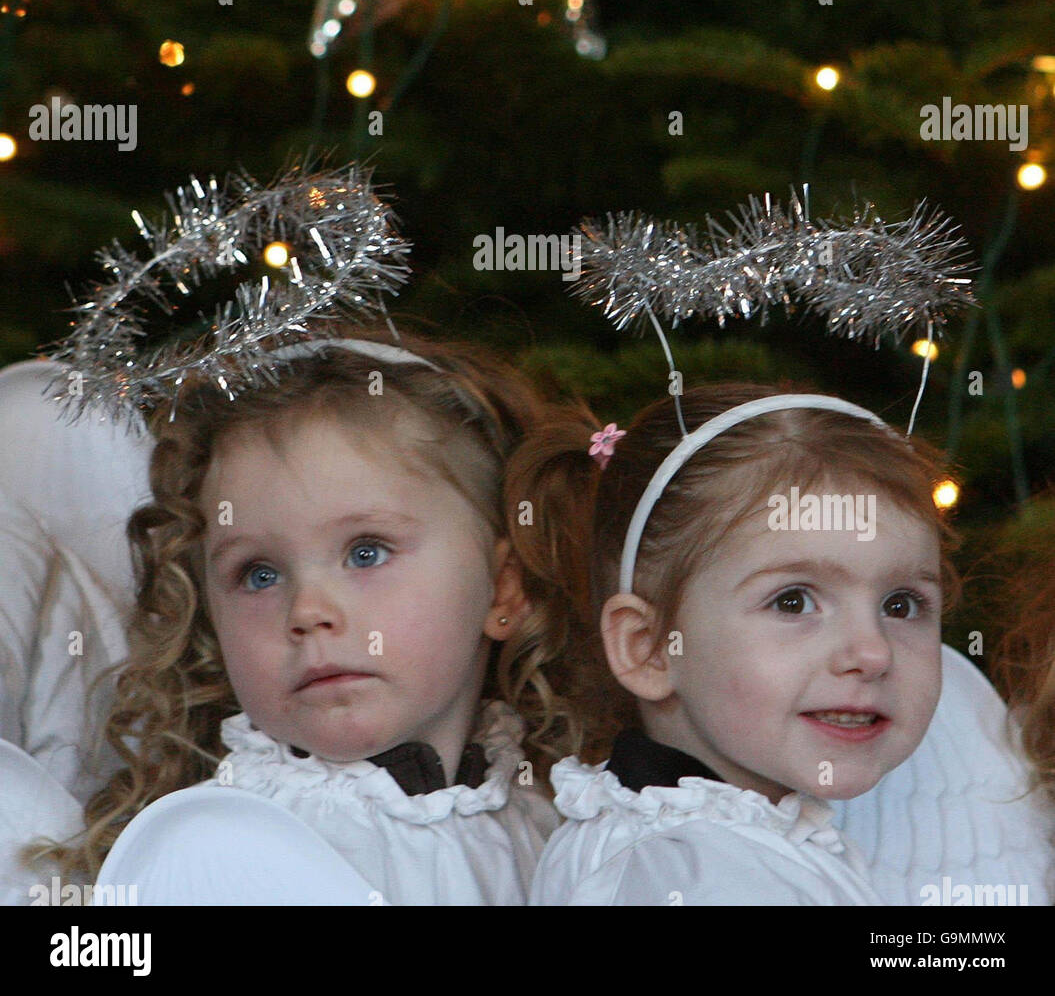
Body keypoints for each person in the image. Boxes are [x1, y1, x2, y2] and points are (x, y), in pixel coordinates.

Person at [24, 331, 573, 905]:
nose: (308, 612)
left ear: (504, 589)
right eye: (259, 574)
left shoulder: (551, 829)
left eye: (367, 552)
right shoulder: (215, 852)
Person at [519, 382, 963, 904]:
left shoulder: (717, 844)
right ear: (649, 647)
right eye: (793, 602)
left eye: (901, 605)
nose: (873, 653)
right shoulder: (687, 870)